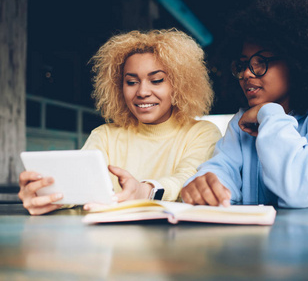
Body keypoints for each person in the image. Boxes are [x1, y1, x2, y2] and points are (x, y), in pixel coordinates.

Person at [181, 0, 308, 208]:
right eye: (243, 65)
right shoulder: (242, 121)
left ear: (297, 62)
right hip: (266, 239)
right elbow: (223, 171)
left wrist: (269, 113)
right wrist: (207, 185)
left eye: (261, 62)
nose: (247, 74)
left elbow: (299, 189)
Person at [18, 29, 222, 215]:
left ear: (180, 85)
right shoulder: (105, 135)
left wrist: (145, 190)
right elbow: (77, 184)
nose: (142, 92)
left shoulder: (202, 133)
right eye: (131, 82)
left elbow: (187, 179)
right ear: (118, 86)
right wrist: (43, 194)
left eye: (157, 80)